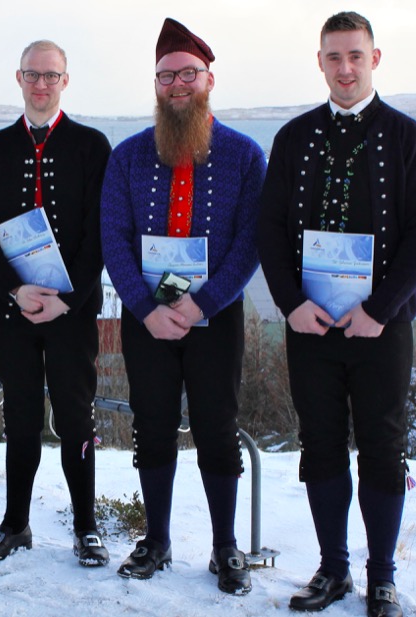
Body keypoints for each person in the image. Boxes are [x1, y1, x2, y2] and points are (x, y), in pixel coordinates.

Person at [257, 12, 416, 616]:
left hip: (381, 328)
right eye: (334, 57)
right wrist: (291, 304)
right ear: (320, 62)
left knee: (384, 447)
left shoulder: (408, 137)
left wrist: (380, 309)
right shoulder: (293, 138)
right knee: (320, 445)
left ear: (374, 59)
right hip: (311, 326)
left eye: (355, 56)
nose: (345, 68)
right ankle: (332, 569)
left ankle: (381, 577)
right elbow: (268, 229)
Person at [99, 18, 264, 594]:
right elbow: (114, 237)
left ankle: (225, 546)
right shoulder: (127, 157)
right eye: (166, 75)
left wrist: (203, 303)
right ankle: (157, 539)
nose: (177, 85)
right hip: (146, 317)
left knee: (218, 428)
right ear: (156, 84)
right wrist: (145, 308)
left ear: (209, 80)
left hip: (215, 317)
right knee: (152, 427)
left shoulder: (244, 156)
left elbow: (250, 242)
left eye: (188, 74)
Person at [0, 40, 112, 567]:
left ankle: (86, 527)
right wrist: (14, 288)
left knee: (76, 417)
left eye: (51, 75)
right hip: (13, 311)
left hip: (72, 312)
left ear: (65, 80)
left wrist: (67, 298)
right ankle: (14, 524)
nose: (41, 84)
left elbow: (101, 231)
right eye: (33, 74)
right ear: (19, 78)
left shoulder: (92, 146)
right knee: (20, 418)